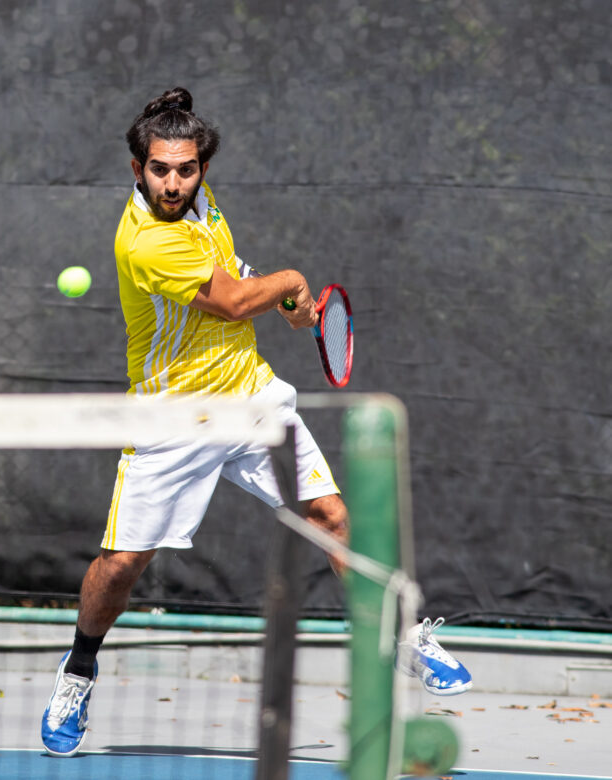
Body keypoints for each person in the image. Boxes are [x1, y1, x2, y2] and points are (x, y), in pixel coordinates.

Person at [40, 87, 471, 758]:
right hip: (172, 418)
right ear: (136, 169)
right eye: (160, 169)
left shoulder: (202, 204)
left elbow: (237, 276)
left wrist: (290, 306)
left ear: (202, 169)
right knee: (123, 563)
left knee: (330, 516)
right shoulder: (147, 239)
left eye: (186, 169)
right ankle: (79, 666)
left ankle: (401, 634)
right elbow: (237, 300)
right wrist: (291, 280)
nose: (174, 182)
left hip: (252, 402)